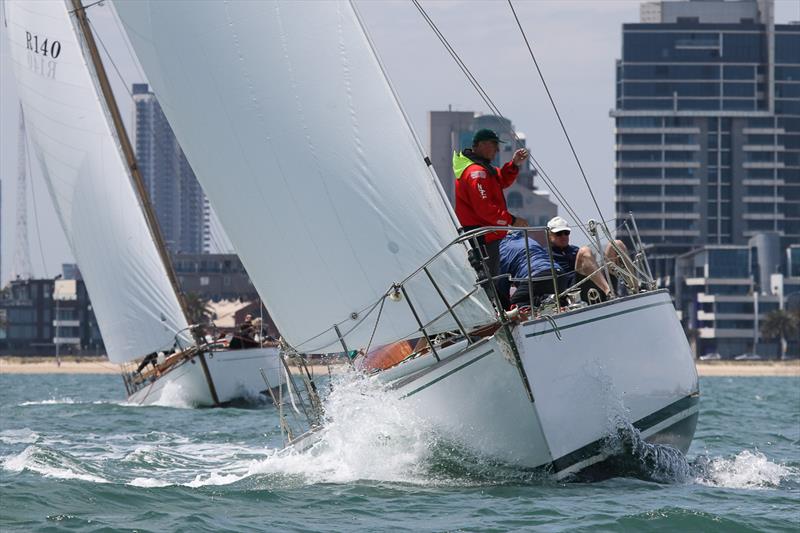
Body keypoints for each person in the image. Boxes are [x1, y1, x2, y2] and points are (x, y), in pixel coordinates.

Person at [453, 128, 529, 308]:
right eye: (494, 145)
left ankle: (494, 313)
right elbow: (485, 209)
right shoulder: (475, 173)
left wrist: (514, 164)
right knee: (487, 279)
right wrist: (511, 220)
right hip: (481, 236)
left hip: (488, 235)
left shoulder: (482, 169)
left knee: (492, 278)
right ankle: (487, 318)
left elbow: (500, 180)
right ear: (482, 145)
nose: (497, 150)